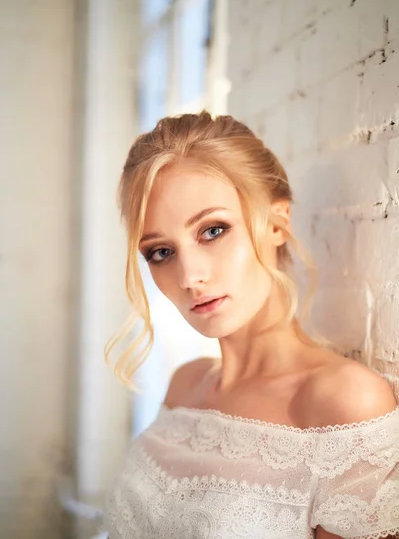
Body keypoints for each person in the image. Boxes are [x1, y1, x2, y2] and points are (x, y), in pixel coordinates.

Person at [102, 111, 399, 539]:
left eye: (213, 230)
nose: (189, 278)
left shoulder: (343, 402)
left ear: (276, 223)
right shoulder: (184, 386)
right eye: (161, 252)